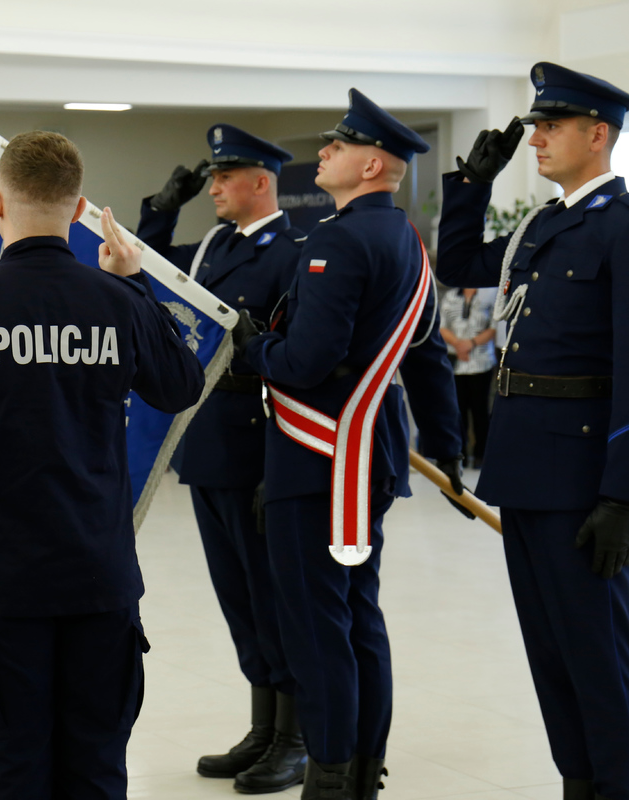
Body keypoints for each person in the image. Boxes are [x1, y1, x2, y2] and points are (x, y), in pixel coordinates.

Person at [0, 131, 205, 800]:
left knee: (15, 773)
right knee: (97, 770)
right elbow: (181, 386)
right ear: (80, 207)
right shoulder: (119, 304)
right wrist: (137, 287)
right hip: (100, 580)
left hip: (3, 590)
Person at [437, 63, 629, 800]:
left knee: (597, 654)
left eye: (551, 126)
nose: (535, 138)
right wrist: (471, 186)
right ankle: (578, 782)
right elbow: (456, 265)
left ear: (597, 134)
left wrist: (624, 495)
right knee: (550, 652)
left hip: (583, 481)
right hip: (526, 470)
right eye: (536, 125)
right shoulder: (540, 228)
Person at [236, 89, 466, 799]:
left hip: (321, 458)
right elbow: (427, 356)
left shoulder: (337, 240)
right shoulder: (406, 240)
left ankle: (330, 773)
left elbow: (305, 362)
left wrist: (254, 349)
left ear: (372, 164)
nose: (323, 153)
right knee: (358, 614)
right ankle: (364, 766)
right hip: (372, 454)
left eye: (337, 146)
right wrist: (448, 444)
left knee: (316, 624)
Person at [136, 124, 308, 792]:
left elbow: (295, 361)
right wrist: (163, 207)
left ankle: (294, 737)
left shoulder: (292, 250)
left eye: (222, 177)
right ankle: (262, 726)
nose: (213, 187)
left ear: (261, 182)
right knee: (238, 596)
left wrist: (282, 465)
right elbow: (148, 278)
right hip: (210, 441)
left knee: (273, 596)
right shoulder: (212, 247)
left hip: (261, 441)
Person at [438, 286, 497, 469]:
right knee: (457, 410)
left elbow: (494, 326)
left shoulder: (490, 294)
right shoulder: (450, 296)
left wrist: (470, 344)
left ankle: (481, 455)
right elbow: (442, 326)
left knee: (480, 411)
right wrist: (458, 344)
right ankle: (459, 454)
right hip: (455, 362)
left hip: (481, 361)